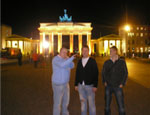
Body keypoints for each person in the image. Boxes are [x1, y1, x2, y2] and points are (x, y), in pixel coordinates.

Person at [102, 46, 128, 115]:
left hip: (118, 86)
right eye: (109, 51)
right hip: (108, 86)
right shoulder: (107, 62)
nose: (109, 52)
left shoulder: (121, 62)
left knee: (121, 106)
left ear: (115, 51)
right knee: (107, 106)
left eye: (111, 51)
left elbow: (125, 73)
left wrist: (122, 83)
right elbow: (103, 72)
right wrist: (104, 81)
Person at [75, 45, 99, 115]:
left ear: (88, 51)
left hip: (90, 86)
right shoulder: (79, 61)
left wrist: (95, 85)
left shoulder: (92, 61)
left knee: (91, 105)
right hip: (81, 86)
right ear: (81, 52)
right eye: (83, 50)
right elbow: (77, 73)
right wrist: (76, 84)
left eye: (86, 50)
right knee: (83, 105)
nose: (84, 52)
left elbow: (96, 73)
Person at [52, 47, 76, 115]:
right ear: (60, 52)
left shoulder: (66, 59)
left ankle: (65, 113)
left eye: (66, 52)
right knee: (57, 103)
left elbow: (72, 66)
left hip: (66, 84)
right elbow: (62, 65)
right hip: (58, 84)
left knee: (66, 102)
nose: (65, 54)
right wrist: (70, 58)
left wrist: (69, 59)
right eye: (63, 52)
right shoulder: (55, 59)